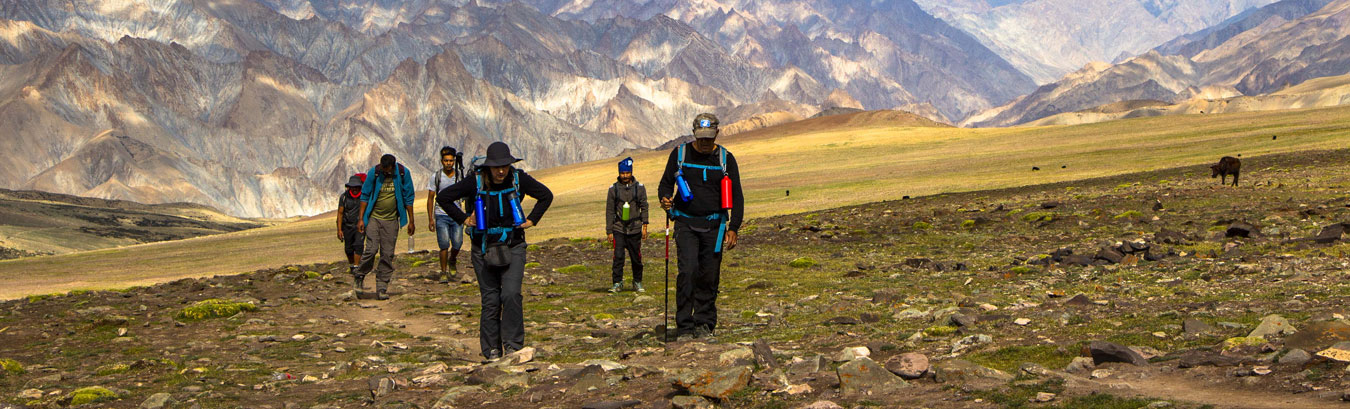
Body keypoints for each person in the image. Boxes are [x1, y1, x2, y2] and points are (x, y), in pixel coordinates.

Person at [436, 142, 553, 361]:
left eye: (505, 166)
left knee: (510, 295)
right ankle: (491, 350)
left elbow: (546, 195)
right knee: (490, 299)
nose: (501, 171)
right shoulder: (475, 182)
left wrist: (532, 220)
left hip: (514, 245)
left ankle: (513, 347)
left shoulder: (519, 179)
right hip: (483, 248)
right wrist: (463, 218)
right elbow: (443, 198)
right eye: (496, 167)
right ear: (488, 167)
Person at [658, 113, 744, 341]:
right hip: (686, 223)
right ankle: (685, 326)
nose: (705, 142)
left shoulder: (726, 159)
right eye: (701, 138)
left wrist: (733, 227)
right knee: (687, 272)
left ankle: (704, 324)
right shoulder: (680, 154)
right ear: (694, 133)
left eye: (709, 138)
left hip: (715, 227)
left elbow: (737, 196)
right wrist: (665, 199)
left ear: (717, 133)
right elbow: (665, 184)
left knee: (709, 276)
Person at [356, 154, 416, 301]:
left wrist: (411, 221)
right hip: (374, 218)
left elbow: (409, 197)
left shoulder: (403, 173)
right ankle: (359, 275)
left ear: (392, 167)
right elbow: (364, 196)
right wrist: (361, 219)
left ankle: (382, 287)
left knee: (387, 254)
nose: (385, 172)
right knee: (371, 249)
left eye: (387, 170)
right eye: (383, 169)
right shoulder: (374, 172)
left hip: (391, 220)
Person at [606, 157, 649, 293]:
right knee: (618, 256)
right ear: (619, 173)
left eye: (627, 173)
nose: (625, 176)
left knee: (636, 257)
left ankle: (637, 281)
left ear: (631, 172)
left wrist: (645, 226)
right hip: (619, 228)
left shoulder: (639, 188)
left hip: (635, 228)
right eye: (622, 173)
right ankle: (617, 282)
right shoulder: (613, 189)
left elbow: (644, 206)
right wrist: (609, 230)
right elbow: (609, 210)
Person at [427, 146, 465, 284]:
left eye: (451, 161)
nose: (448, 163)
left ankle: (452, 259)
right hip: (441, 214)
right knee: (443, 244)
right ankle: (443, 272)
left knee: (458, 242)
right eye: (446, 161)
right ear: (442, 161)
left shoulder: (459, 176)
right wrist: (430, 218)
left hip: (457, 215)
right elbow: (431, 197)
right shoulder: (436, 177)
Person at [337, 173, 367, 275]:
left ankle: (356, 267)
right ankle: (352, 265)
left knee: (359, 245)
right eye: (352, 187)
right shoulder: (344, 197)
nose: (354, 189)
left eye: (356, 187)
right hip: (347, 226)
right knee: (348, 249)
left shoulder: (364, 196)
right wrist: (339, 229)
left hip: (360, 226)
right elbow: (340, 213)